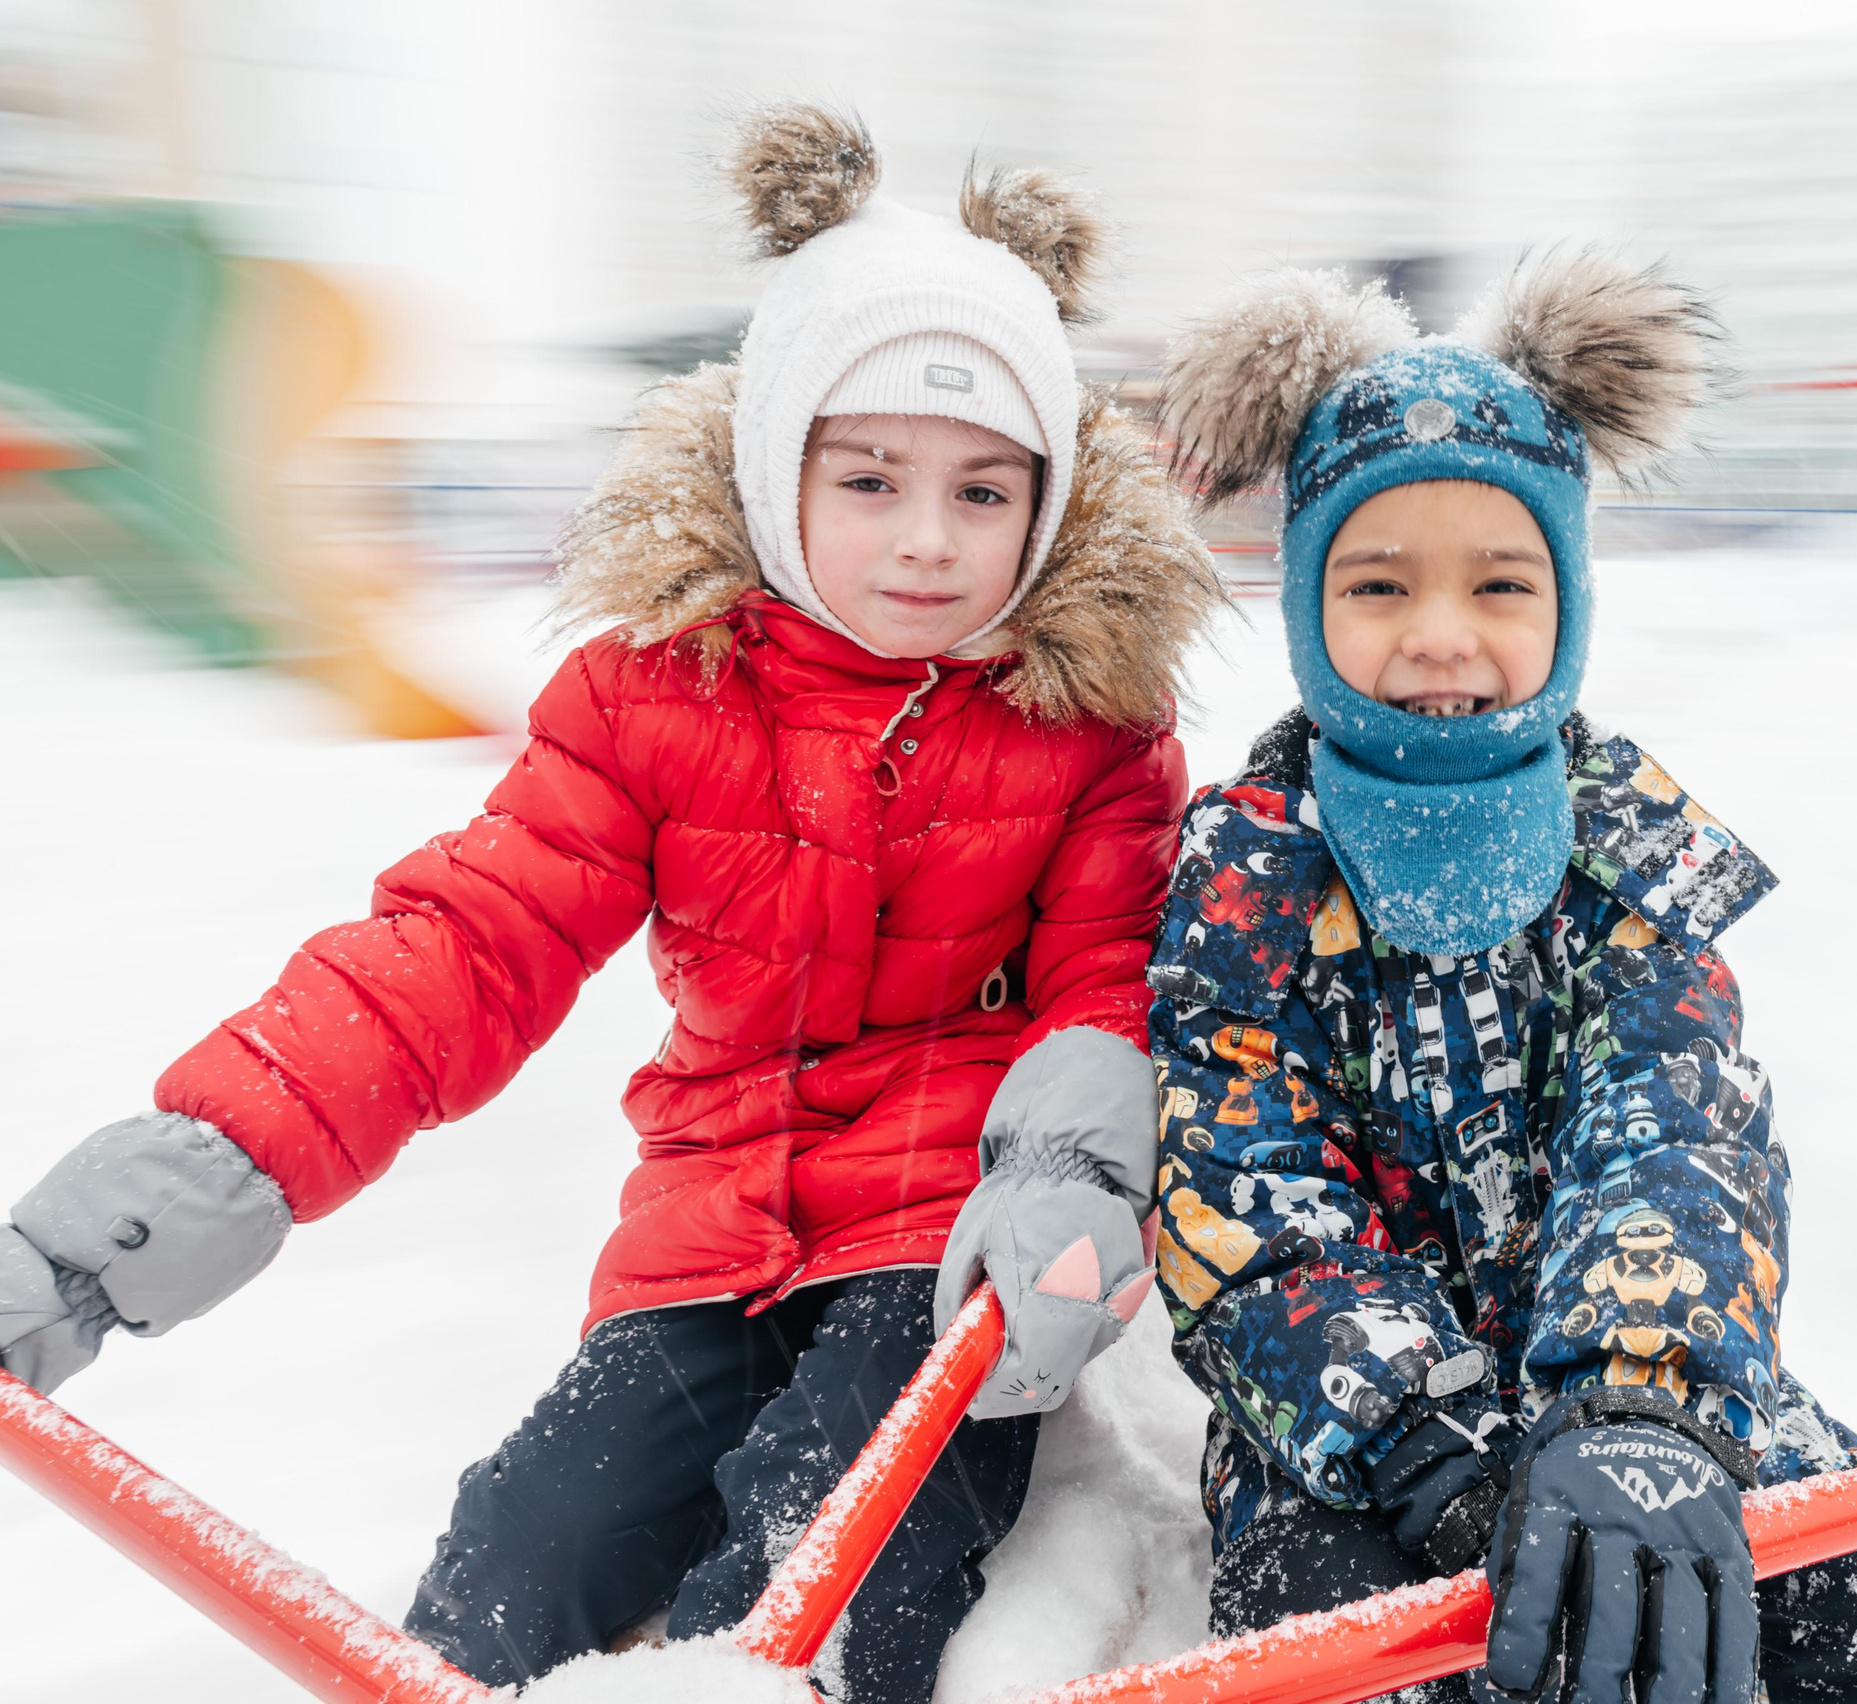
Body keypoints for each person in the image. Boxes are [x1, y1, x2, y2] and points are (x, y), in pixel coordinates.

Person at [0, 104, 1220, 1700]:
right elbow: (459, 946)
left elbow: (1102, 984)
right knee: (512, 1562)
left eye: (985, 494)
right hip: (706, 1247)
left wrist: (1067, 1171)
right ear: (778, 474)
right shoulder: (654, 698)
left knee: (824, 1570)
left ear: (1046, 508)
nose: (927, 542)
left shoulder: (1088, 733)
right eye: (868, 479)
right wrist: (143, 1216)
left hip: (944, 1250)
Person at [1145, 256, 1857, 1704]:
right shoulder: (1251, 878)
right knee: (1342, 1655)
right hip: (1363, 1441)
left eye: (1501, 583)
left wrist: (1640, 1407)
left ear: (1569, 600)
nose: (1442, 635)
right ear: (1311, 604)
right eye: (1380, 585)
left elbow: (1679, 1124)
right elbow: (1242, 1204)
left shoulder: (1622, 848)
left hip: (1637, 1383)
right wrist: (1434, 1454)